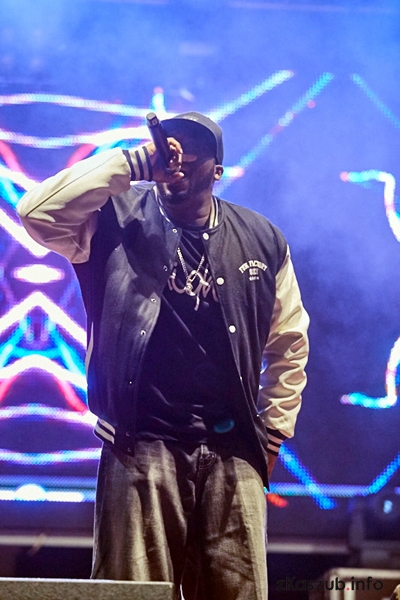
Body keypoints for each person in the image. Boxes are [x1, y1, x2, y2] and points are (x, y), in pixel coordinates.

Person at [17, 112, 309, 600]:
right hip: (140, 445)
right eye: (169, 145)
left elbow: (290, 340)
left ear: (217, 169)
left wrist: (275, 433)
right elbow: (36, 212)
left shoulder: (261, 238)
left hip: (233, 451)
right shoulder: (113, 218)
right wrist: (133, 164)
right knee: (133, 592)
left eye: (193, 150)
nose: (178, 156)